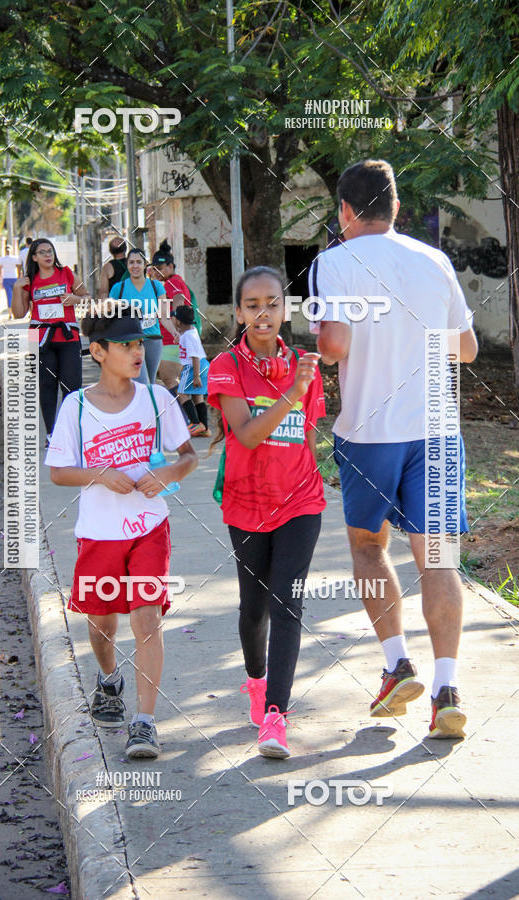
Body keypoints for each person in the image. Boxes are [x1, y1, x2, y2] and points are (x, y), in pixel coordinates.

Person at [311, 159, 478, 740]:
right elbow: (467, 349)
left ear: (344, 211)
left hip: (370, 431)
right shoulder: (435, 260)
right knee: (439, 558)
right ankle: (448, 689)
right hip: (437, 428)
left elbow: (333, 345)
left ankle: (397, 665)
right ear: (396, 208)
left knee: (367, 547)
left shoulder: (333, 262)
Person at [45, 305, 197, 758]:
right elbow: (58, 472)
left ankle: (145, 722)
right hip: (98, 532)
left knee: (146, 616)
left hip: (149, 527)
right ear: (97, 352)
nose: (137, 352)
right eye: (126, 345)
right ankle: (109, 679)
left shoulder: (157, 399)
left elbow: (189, 456)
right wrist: (99, 474)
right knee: (101, 622)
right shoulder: (75, 407)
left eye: (139, 344)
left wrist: (168, 473)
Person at [207, 266, 326, 759]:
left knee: (287, 604)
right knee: (253, 608)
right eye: (252, 305)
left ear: (285, 308)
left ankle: (276, 717)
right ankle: (256, 682)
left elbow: (309, 435)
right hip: (247, 504)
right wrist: (291, 393)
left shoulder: (304, 365)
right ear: (238, 313)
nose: (263, 313)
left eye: (273, 303)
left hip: (301, 501)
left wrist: (315, 481)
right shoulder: (225, 366)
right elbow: (248, 434)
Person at [12, 238, 90, 443]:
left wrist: (76, 300)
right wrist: (17, 289)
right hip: (38, 338)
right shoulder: (29, 280)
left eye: (50, 251)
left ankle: (69, 431)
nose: (48, 255)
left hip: (67, 336)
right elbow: (19, 314)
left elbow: (88, 297)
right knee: (46, 387)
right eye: (42, 252)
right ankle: (51, 434)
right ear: (34, 257)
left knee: (72, 386)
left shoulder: (66, 273)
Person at [108, 247, 177, 385]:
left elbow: (164, 316)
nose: (135, 266)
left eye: (139, 262)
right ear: (127, 265)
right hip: (130, 341)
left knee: (150, 383)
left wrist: (174, 332)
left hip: (153, 340)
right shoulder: (118, 288)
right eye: (131, 262)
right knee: (141, 382)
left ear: (145, 264)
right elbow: (110, 317)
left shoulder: (156, 286)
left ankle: (147, 401)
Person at [150, 240, 194, 399]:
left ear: (170, 266)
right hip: (177, 339)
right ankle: (188, 412)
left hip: (171, 340)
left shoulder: (172, 283)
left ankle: (183, 412)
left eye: (160, 268)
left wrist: (176, 328)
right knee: (181, 384)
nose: (157, 272)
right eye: (154, 269)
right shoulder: (175, 281)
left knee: (170, 380)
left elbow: (178, 306)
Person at [173, 305, 211, 437]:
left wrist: (196, 376)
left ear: (179, 322)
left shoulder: (188, 336)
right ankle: (204, 427)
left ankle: (195, 423)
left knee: (181, 393)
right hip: (204, 365)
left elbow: (194, 356)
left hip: (194, 367)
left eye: (174, 318)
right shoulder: (191, 331)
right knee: (197, 396)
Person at [0, 248, 21, 315]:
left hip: (6, 278)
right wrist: (19, 277)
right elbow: (19, 268)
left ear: (5, 251)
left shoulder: (2, 259)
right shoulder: (15, 258)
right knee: (15, 296)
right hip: (14, 277)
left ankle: (10, 313)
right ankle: (16, 312)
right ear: (11, 251)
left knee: (9, 296)